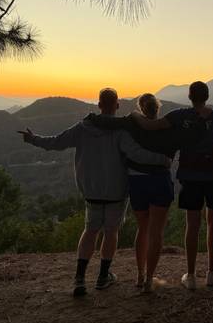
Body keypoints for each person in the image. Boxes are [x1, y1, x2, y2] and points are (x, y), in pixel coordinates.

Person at [18, 88, 171, 297]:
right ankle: (102, 276)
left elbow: (56, 142)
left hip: (90, 190)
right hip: (116, 191)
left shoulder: (83, 128)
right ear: (117, 106)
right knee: (111, 232)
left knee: (90, 231)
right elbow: (136, 154)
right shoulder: (120, 132)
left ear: (98, 105)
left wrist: (33, 138)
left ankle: (79, 279)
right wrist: (162, 160)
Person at [130, 81, 213, 290]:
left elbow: (151, 125)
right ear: (207, 96)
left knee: (192, 225)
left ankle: (191, 275)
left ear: (190, 96)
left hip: (190, 176)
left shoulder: (179, 115)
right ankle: (212, 271)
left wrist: (134, 115)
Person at [86, 93, 206, 292]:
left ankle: (140, 275)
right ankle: (150, 279)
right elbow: (193, 136)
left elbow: (108, 123)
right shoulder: (169, 129)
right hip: (160, 182)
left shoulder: (131, 125)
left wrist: (91, 117)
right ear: (157, 108)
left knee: (143, 229)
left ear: (141, 108)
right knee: (156, 232)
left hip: (137, 182)